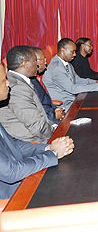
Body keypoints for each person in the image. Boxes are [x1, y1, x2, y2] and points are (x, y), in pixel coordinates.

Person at [0, 64, 74, 199]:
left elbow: (13, 144)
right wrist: (53, 154)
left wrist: (48, 148)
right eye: (4, 80)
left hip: (22, 179)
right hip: (12, 197)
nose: (8, 82)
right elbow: (11, 172)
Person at [0, 46, 55, 143]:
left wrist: (54, 126)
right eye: (35, 60)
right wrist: (58, 133)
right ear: (25, 64)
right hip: (31, 142)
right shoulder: (16, 87)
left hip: (38, 135)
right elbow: (37, 127)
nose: (37, 65)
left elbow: (41, 117)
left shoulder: (20, 81)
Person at [43, 38, 98, 112]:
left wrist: (95, 82)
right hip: (63, 105)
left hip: (72, 100)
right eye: (72, 51)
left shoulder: (66, 63)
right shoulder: (57, 68)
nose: (75, 54)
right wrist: (97, 86)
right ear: (63, 50)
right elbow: (73, 88)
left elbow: (77, 79)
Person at [30, 47, 65, 125]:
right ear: (34, 61)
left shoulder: (36, 78)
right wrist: (54, 115)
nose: (46, 63)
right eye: (43, 60)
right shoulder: (29, 83)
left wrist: (56, 109)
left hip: (51, 113)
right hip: (47, 121)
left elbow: (47, 101)